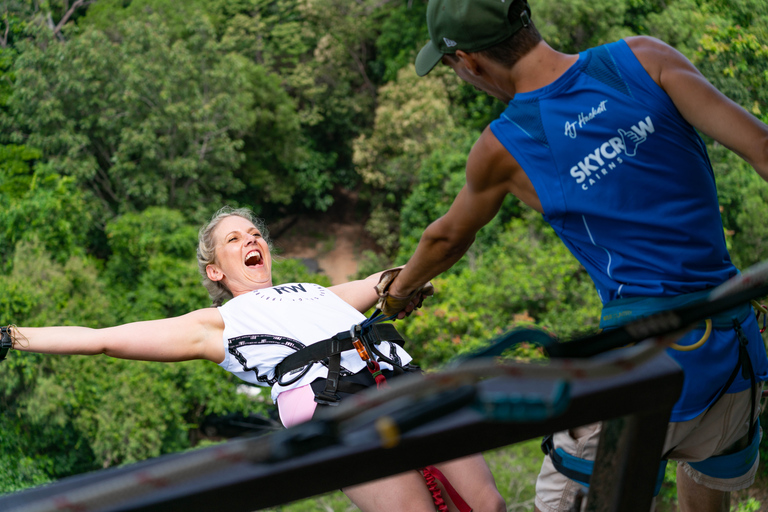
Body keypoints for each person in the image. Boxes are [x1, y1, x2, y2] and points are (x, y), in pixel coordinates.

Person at [376, 0, 768, 511]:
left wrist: (399, 291)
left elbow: (446, 238)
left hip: (644, 361)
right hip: (733, 347)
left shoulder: (507, 145)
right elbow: (761, 147)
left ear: (469, 61)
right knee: (705, 477)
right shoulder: (644, 58)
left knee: (564, 499)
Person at [5, 206, 506, 512]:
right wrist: (12, 337)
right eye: (234, 239)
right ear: (215, 269)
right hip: (337, 415)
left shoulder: (317, 292)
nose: (251, 240)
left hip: (401, 383)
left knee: (488, 504)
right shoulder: (218, 324)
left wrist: (405, 285)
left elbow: (384, 281)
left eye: (255, 234)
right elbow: (103, 338)